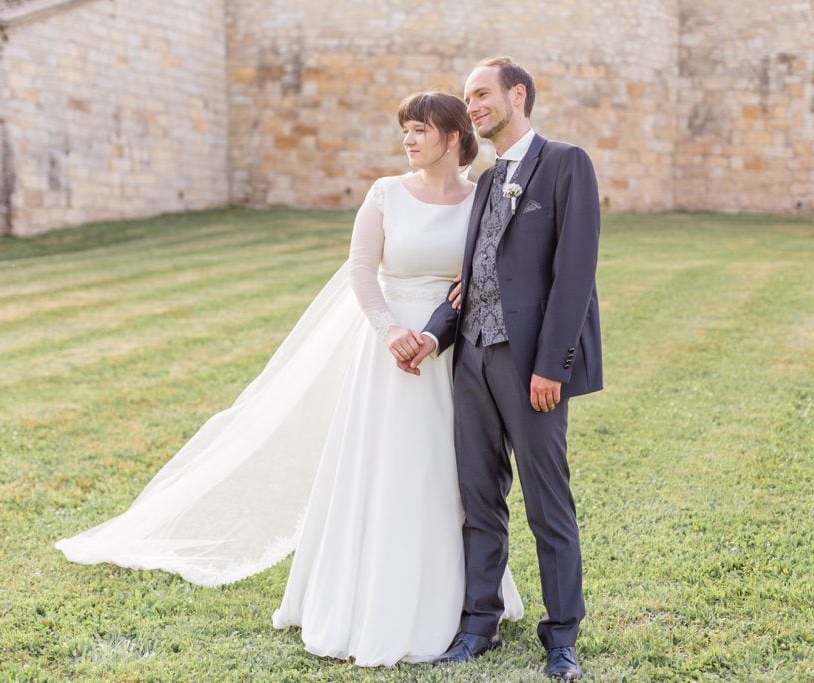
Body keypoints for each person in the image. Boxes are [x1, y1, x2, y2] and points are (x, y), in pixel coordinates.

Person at [55, 90, 522, 667]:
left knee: (444, 472)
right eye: (404, 129)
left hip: (448, 354)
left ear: (453, 138)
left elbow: (476, 275)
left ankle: (460, 600)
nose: (407, 140)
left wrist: (431, 334)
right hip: (387, 353)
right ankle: (364, 597)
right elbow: (360, 268)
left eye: (420, 130)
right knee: (381, 468)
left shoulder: (481, 201)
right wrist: (388, 332)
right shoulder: (384, 194)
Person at [411, 57, 603, 681]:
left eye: (482, 94)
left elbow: (574, 277)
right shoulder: (489, 181)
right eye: (469, 98)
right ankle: (478, 624)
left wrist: (552, 366)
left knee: (548, 503)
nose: (473, 107)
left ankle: (563, 636)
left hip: (530, 369)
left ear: (517, 94)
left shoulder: (566, 163)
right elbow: (471, 280)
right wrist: (433, 336)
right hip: (473, 360)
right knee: (479, 498)